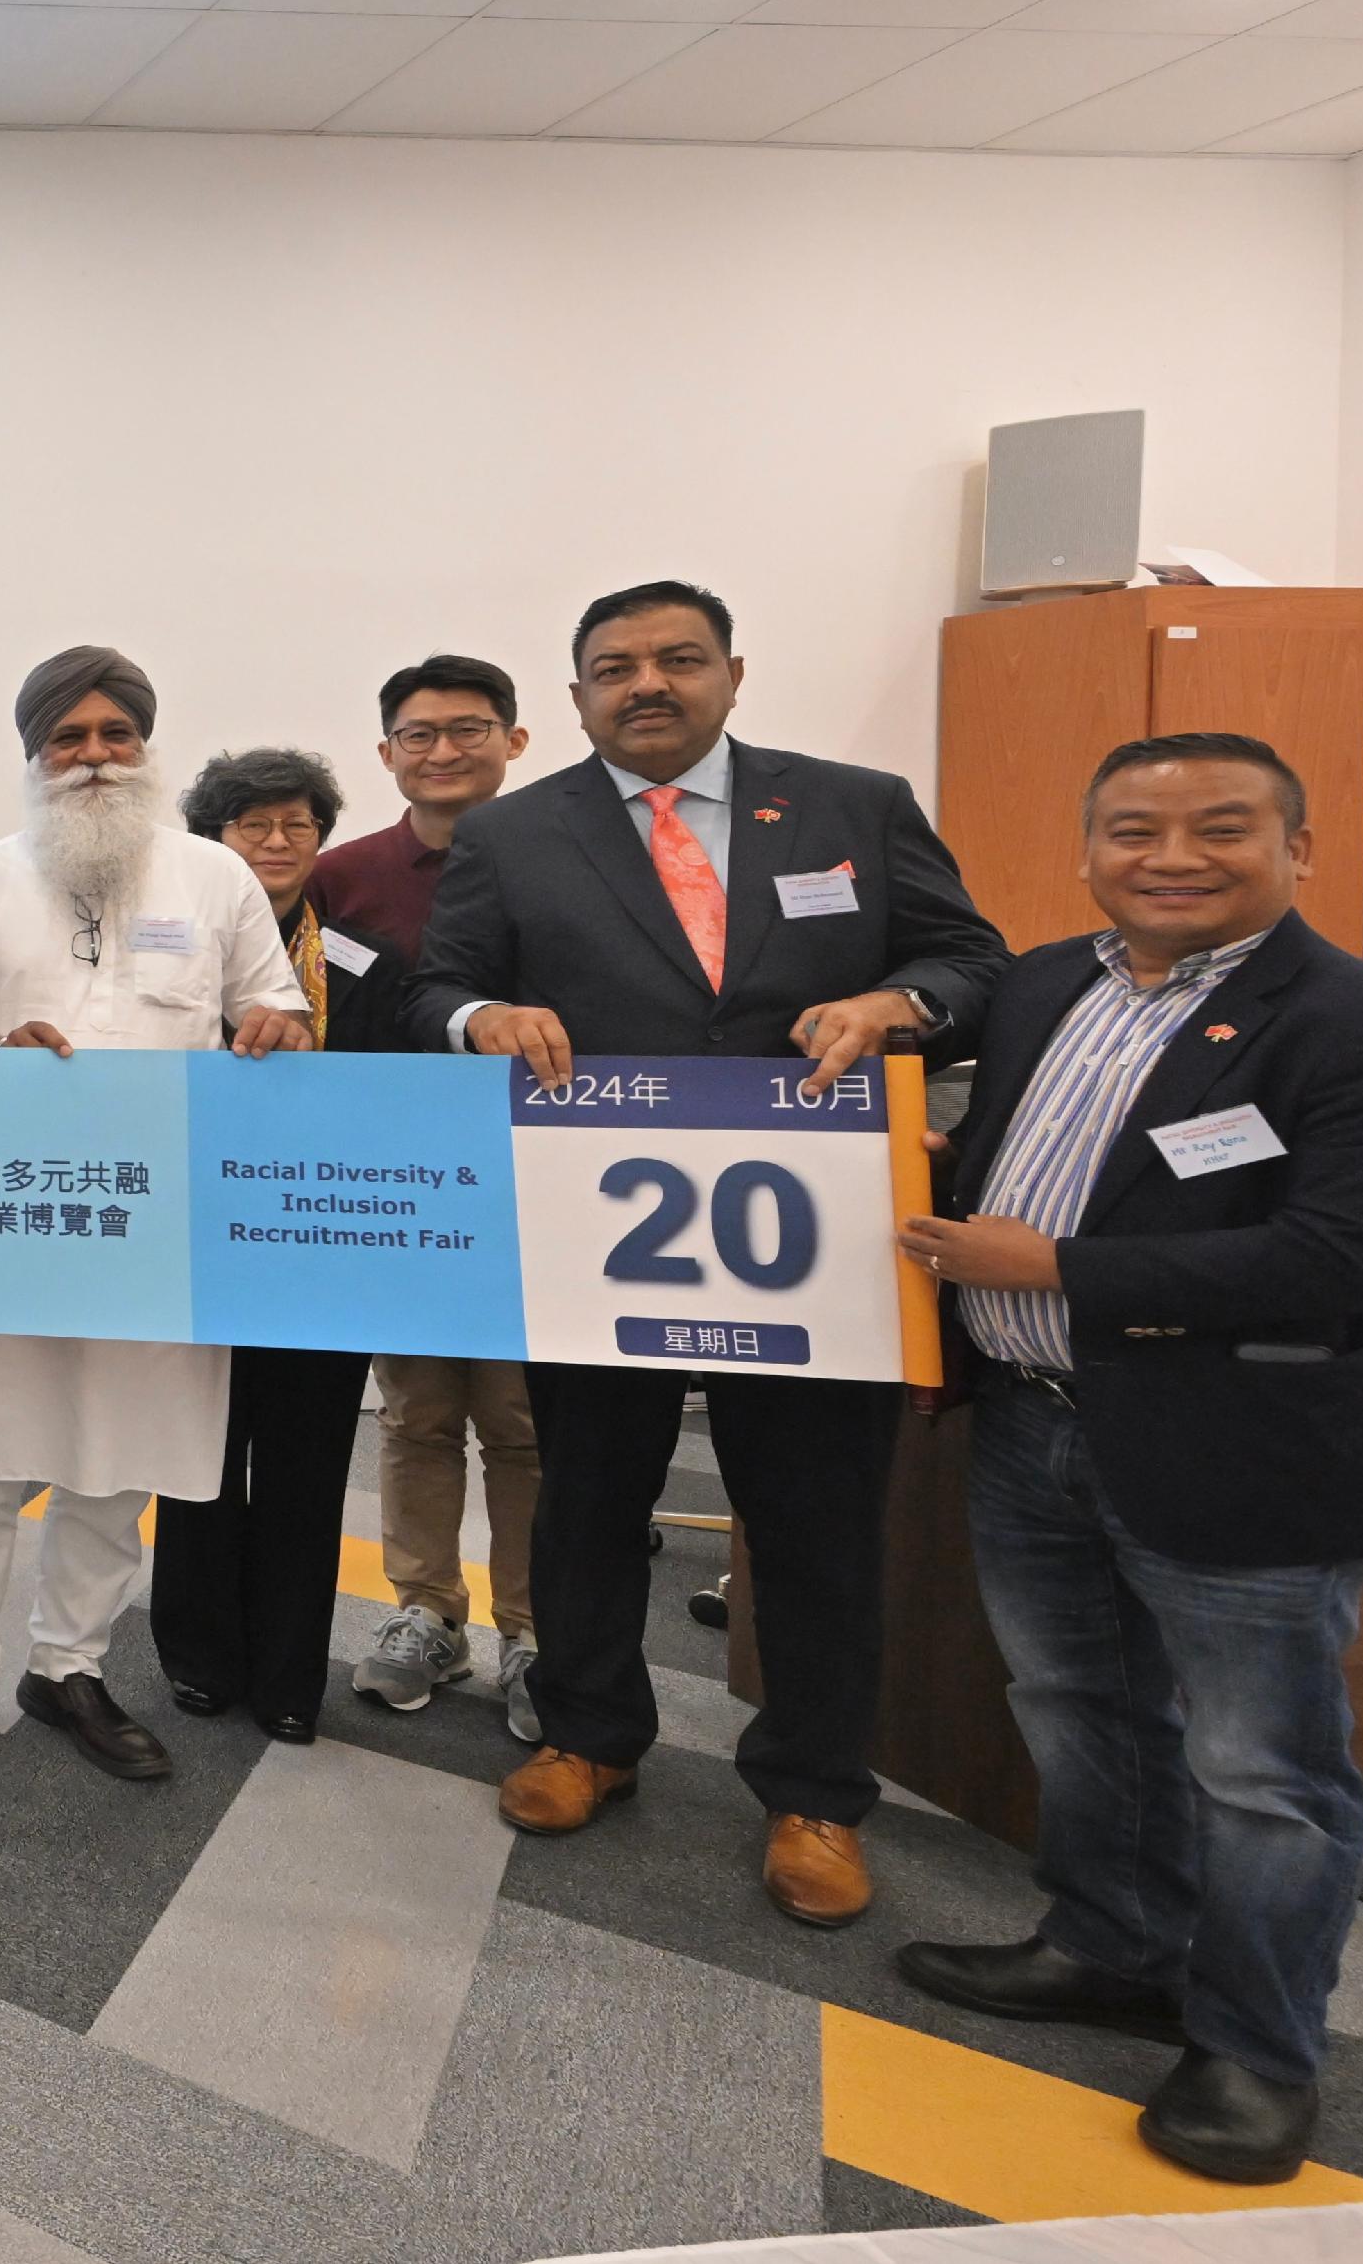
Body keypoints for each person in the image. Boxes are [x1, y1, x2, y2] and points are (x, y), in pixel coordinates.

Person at [894, 734, 1363, 2187]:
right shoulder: (1045, 983)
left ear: (1299, 845)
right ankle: (1109, 1940)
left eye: (1218, 826)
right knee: (1080, 1705)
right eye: (1131, 828)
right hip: (1030, 1418)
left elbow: (1349, 1254)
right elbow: (1010, 1158)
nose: (1169, 854)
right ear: (1088, 846)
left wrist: (1062, 1265)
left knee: (1264, 1767)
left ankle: (1259, 2047)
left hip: (1239, 1439)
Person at [405, 580, 1006, 1927]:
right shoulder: (511, 831)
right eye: (615, 667)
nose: (648, 683)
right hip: (595, 1230)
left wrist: (896, 999)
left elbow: (976, 961)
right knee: (590, 1496)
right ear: (575, 699)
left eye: (679, 658)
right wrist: (483, 1015)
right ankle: (590, 1734)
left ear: (733, 671)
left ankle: (813, 1791)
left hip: (813, 1233)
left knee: (813, 1519)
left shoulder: (854, 805)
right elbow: (436, 988)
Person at [0, 648, 314, 1785]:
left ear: (145, 745)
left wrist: (278, 1029)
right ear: (33, 755)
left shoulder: (217, 878)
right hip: (8, 1219)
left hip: (162, 1225)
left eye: (113, 736)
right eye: (66, 739)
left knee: (116, 1464)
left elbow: (274, 1009)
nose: (92, 758)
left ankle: (66, 1666)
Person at [314, 654, 543, 1736]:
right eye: (418, 735)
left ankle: (535, 1630)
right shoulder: (343, 876)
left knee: (522, 1421)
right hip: (393, 1186)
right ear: (385, 753)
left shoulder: (566, 860)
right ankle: (425, 1613)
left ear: (515, 739)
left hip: (533, 1187)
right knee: (414, 1412)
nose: (442, 751)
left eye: (468, 730)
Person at [146, 748, 387, 1746]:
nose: (277, 842)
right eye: (253, 825)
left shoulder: (370, 962)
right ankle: (198, 1656)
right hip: (197, 1238)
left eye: (296, 825)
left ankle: (289, 1674)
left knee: (306, 1461)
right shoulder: (167, 956)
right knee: (196, 1449)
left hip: (324, 1249)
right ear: (216, 840)